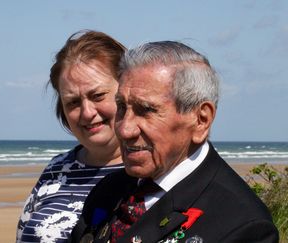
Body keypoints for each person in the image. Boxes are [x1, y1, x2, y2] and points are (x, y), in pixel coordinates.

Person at [70, 41, 279, 243]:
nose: (125, 129)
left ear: (200, 120)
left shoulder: (242, 225)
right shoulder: (109, 189)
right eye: (122, 107)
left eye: (147, 110)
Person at [16, 30, 126, 243]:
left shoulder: (149, 171)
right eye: (73, 102)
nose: (87, 112)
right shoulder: (57, 168)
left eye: (97, 96)